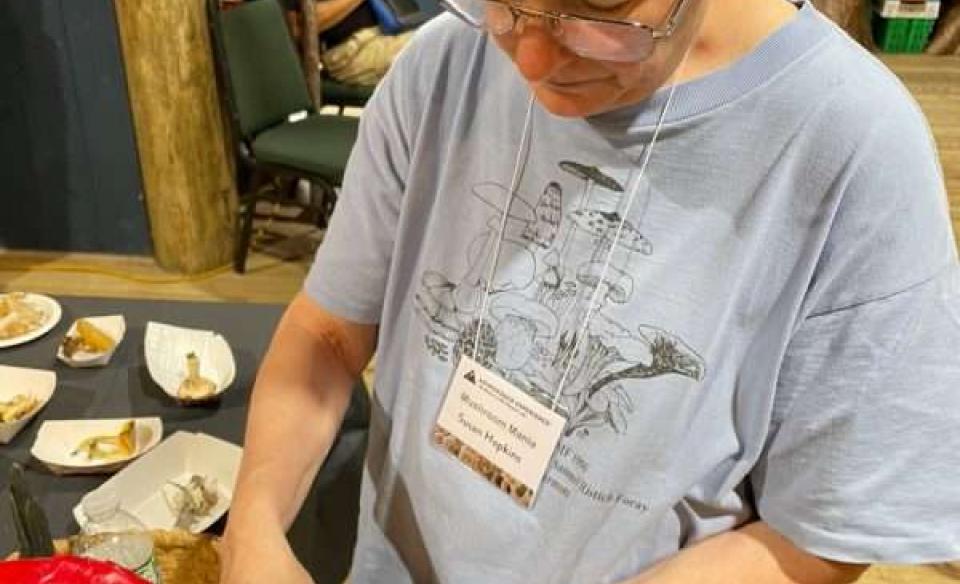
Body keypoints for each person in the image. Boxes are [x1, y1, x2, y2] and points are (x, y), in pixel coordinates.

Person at [220, 0, 960, 582]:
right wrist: (252, 525)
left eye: (600, 9)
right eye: (502, 3)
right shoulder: (444, 64)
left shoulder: (853, 149)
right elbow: (326, 333)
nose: (534, 61)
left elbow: (822, 532)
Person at [282, 0, 415, 86]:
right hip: (353, 50)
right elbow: (296, 28)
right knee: (432, 50)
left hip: (397, 28)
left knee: (433, 36)